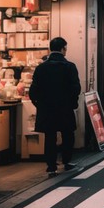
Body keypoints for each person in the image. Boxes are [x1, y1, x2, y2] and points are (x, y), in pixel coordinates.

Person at [28, 36, 82, 177]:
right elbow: (76, 88)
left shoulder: (41, 68)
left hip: (47, 108)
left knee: (50, 137)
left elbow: (33, 91)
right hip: (65, 108)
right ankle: (67, 161)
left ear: (50, 49)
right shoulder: (69, 66)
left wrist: (39, 104)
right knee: (68, 134)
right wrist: (72, 103)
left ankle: (51, 166)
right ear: (63, 49)